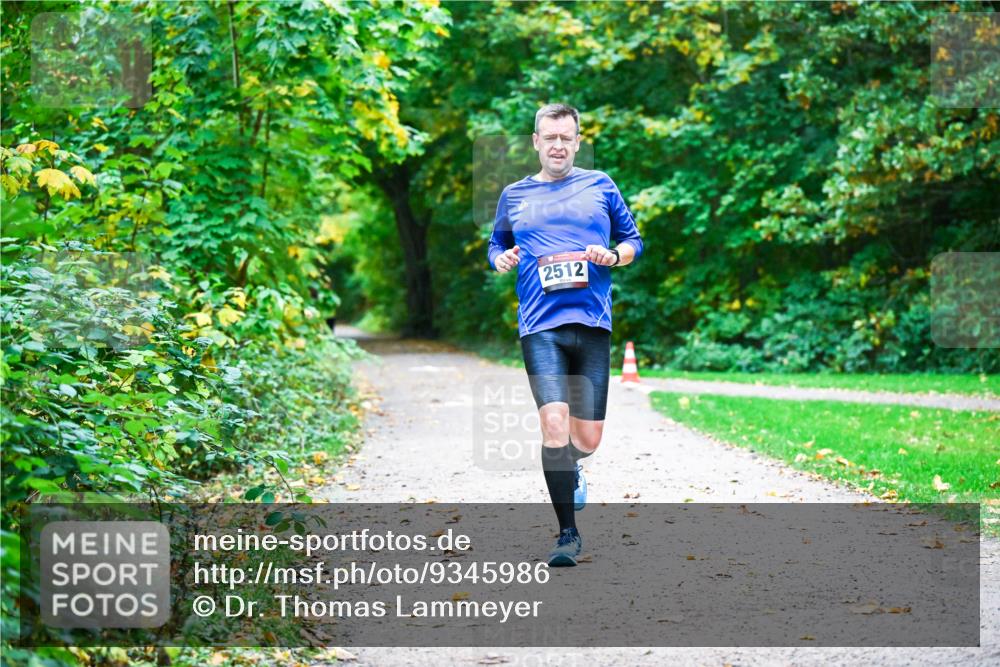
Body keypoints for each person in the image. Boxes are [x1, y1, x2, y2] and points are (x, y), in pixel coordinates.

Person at [487, 103, 644, 567]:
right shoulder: (514, 195)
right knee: (553, 423)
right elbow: (497, 244)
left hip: (592, 323)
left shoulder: (601, 185)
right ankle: (567, 535)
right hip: (540, 325)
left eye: (566, 138)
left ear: (577, 142)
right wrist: (500, 259)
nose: (558, 145)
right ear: (536, 141)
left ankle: (571, 464)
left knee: (588, 439)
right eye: (549, 137)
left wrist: (613, 256)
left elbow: (633, 241)